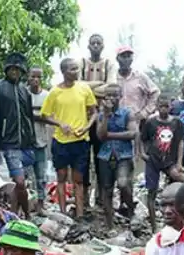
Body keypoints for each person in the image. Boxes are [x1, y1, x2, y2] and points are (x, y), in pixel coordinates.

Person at [39, 58, 97, 219]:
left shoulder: (84, 88)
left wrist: (86, 127)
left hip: (80, 141)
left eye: (77, 69)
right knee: (61, 178)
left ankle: (79, 215)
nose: (76, 72)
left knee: (78, 180)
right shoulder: (55, 92)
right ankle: (63, 214)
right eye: (72, 69)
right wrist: (60, 124)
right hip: (61, 142)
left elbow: (94, 112)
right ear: (64, 72)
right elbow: (44, 115)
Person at [0, 53, 37, 217]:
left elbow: (29, 118)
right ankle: (24, 214)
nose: (15, 72)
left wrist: (32, 140)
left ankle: (19, 215)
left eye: (18, 69)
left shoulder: (24, 91)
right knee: (18, 182)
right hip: (9, 143)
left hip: (26, 145)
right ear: (7, 70)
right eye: (12, 69)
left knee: (21, 184)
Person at [139, 95, 184, 232]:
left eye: (166, 106)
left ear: (170, 106)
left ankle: (181, 220)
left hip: (169, 161)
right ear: (156, 106)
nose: (164, 109)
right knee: (151, 191)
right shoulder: (151, 122)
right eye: (161, 106)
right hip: (153, 160)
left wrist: (179, 162)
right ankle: (154, 227)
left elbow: (180, 142)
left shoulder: (176, 122)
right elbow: (142, 138)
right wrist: (142, 154)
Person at [80, 34, 115, 215]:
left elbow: (110, 88)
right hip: (83, 120)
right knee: (84, 161)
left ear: (102, 46)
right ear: (88, 45)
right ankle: (84, 201)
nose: (95, 46)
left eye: (98, 43)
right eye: (92, 43)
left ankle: (102, 200)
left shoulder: (109, 64)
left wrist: (86, 88)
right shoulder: (82, 63)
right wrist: (98, 85)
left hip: (102, 120)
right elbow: (76, 86)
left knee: (102, 159)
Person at [96, 83, 138, 227]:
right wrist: (107, 116)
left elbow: (132, 133)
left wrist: (110, 135)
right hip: (105, 155)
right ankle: (109, 224)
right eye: (108, 95)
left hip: (124, 155)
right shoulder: (101, 115)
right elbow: (100, 136)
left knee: (123, 183)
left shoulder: (128, 113)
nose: (111, 98)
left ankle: (131, 210)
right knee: (106, 189)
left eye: (115, 95)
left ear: (120, 96)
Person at [113, 46, 160, 125]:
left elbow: (156, 93)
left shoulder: (140, 77)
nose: (126, 60)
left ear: (132, 59)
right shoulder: (113, 77)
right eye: (123, 57)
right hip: (117, 121)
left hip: (137, 121)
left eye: (128, 57)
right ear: (117, 59)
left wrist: (145, 112)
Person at [28, 67, 52, 214]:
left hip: (41, 140)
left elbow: (48, 115)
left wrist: (32, 115)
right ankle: (27, 204)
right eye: (33, 77)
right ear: (28, 77)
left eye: (39, 77)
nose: (36, 80)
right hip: (25, 142)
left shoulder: (46, 96)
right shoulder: (23, 93)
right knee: (25, 176)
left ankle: (40, 204)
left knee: (41, 176)